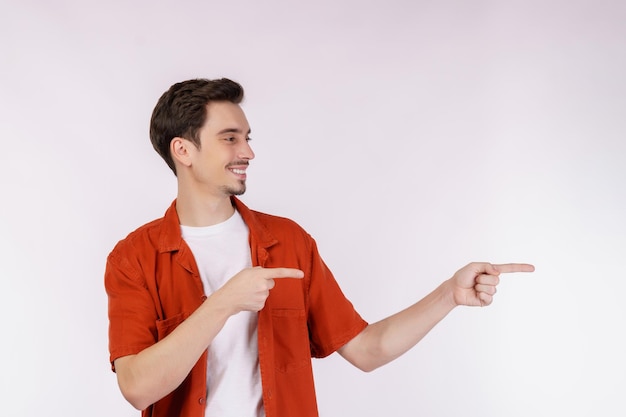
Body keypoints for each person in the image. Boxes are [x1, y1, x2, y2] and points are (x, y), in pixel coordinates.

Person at [105, 78, 534, 417]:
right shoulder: (134, 258)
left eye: (248, 137)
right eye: (230, 138)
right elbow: (137, 387)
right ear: (183, 150)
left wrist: (448, 295)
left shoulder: (288, 241)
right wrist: (223, 303)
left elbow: (367, 349)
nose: (249, 151)